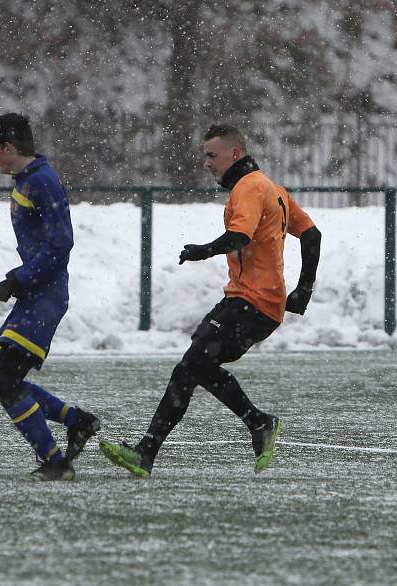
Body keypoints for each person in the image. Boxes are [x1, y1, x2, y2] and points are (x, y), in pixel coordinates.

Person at [100, 123, 322, 477]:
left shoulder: (249, 187)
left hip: (253, 303)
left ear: (235, 154)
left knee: (194, 365)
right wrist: (303, 289)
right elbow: (312, 234)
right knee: (191, 367)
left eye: (211, 155)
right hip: (249, 303)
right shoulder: (272, 188)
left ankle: (257, 423)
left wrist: (203, 250)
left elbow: (239, 236)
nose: (207, 163)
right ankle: (150, 451)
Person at [0, 112, 101, 481]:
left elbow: (62, 240)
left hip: (44, 295)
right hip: (36, 293)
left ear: (9, 147)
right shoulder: (29, 180)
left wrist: (20, 279)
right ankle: (75, 420)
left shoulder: (42, 181)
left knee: (2, 380)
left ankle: (54, 461)